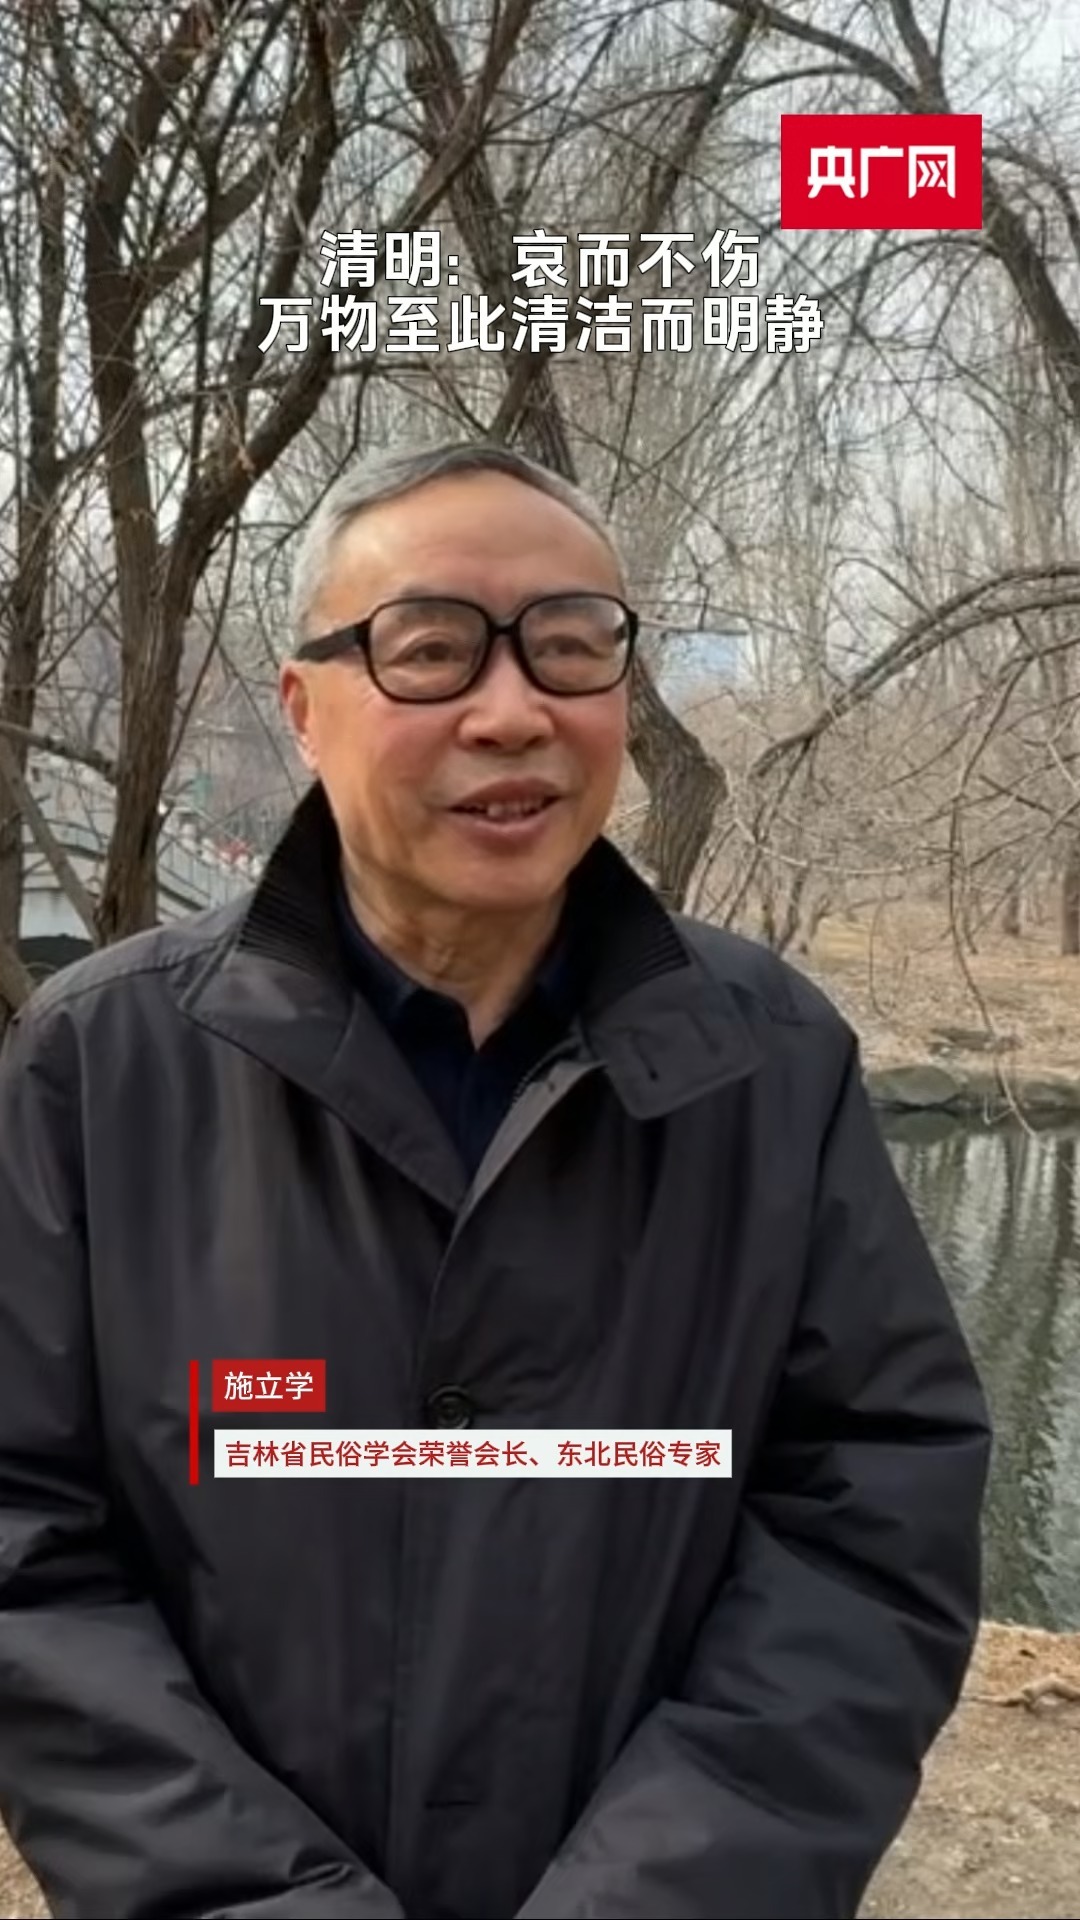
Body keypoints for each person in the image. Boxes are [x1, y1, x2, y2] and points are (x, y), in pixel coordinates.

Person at [0, 442, 990, 1920]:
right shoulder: (106, 1064)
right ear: (305, 709)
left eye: (573, 647)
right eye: (431, 650)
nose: (516, 710)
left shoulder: (769, 1062)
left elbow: (871, 1518)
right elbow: (26, 1545)